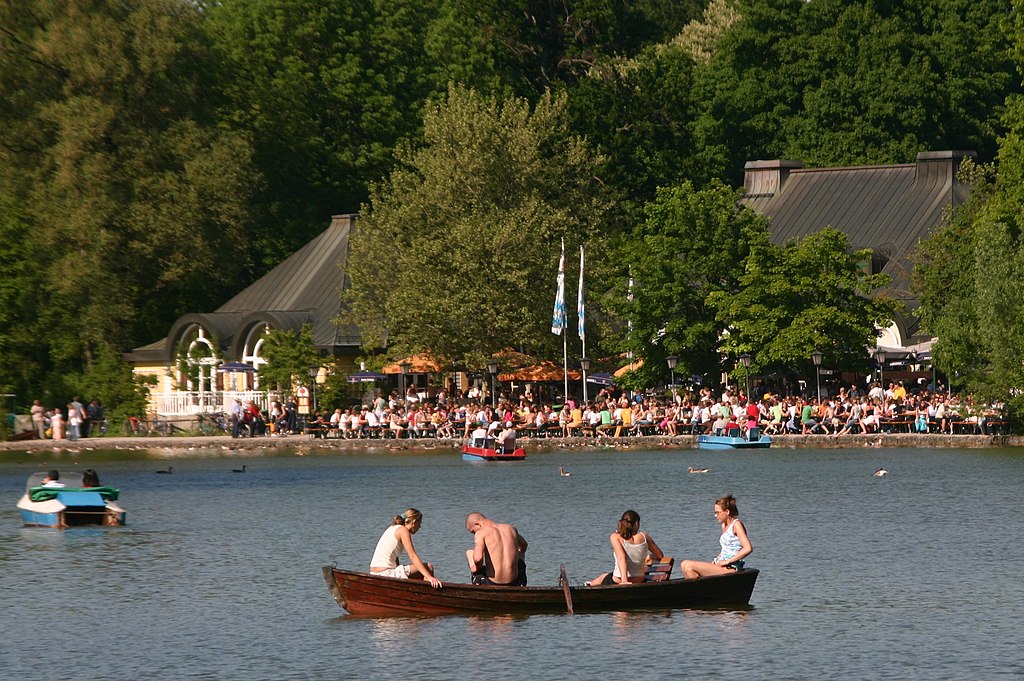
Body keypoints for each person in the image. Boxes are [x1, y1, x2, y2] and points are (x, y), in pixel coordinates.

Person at [681, 495, 752, 579]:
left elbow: (748, 548)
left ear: (727, 512)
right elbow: (726, 549)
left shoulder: (736, 524)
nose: (715, 516)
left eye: (718, 512)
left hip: (730, 567)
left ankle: (699, 591)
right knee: (684, 565)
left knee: (689, 566)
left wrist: (727, 561)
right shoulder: (724, 525)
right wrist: (717, 559)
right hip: (720, 564)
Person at [587, 510, 664, 586]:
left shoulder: (616, 537)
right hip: (639, 579)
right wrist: (650, 556)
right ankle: (589, 584)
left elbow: (622, 558)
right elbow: (660, 555)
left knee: (602, 578)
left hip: (619, 579)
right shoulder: (644, 536)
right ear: (636, 523)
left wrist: (624, 581)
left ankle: (588, 586)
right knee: (604, 576)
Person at [369, 508, 442, 588]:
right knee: (428, 567)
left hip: (374, 573)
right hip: (386, 573)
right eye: (419, 523)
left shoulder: (393, 528)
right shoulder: (403, 531)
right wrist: (429, 577)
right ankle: (428, 595)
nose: (420, 527)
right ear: (414, 522)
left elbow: (394, 556)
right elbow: (412, 556)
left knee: (417, 571)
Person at [465, 512, 528, 586]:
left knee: (469, 552)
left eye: (473, 531)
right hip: (516, 582)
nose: (474, 534)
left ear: (477, 524)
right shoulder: (511, 529)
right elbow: (524, 546)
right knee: (520, 553)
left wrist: (476, 569)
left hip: (492, 583)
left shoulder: (481, 533)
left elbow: (478, 558)